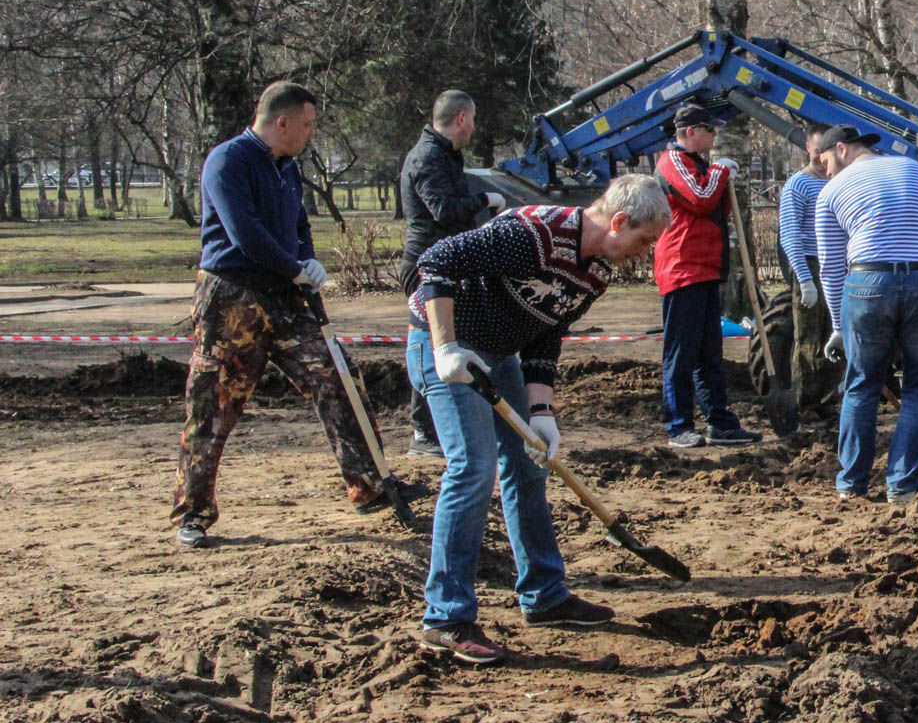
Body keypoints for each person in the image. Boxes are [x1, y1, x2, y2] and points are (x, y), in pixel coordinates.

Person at [408, 174, 671, 665]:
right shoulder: (533, 232)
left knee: (529, 465)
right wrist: (445, 347)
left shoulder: (597, 272)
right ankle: (445, 617)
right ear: (618, 222)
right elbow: (435, 262)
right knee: (473, 467)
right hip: (446, 343)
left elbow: (546, 333)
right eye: (643, 240)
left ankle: (545, 596)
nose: (646, 252)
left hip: (501, 352)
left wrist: (542, 412)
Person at [174, 82, 419, 549]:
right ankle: (194, 512)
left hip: (288, 297)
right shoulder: (228, 161)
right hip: (234, 300)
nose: (310, 133)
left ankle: (368, 485)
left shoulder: (288, 168)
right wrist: (294, 268)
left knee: (339, 377)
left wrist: (306, 263)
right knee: (214, 404)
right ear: (281, 122)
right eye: (306, 124)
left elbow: (298, 226)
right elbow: (244, 233)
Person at [814, 124, 918, 504]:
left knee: (861, 384)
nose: (825, 172)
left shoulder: (831, 192)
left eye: (824, 162)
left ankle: (851, 485)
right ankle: (903, 486)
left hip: (867, 282)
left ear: (841, 149)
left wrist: (837, 325)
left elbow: (832, 269)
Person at [398, 90, 506, 457]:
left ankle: (434, 427)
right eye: (472, 120)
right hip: (425, 266)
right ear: (461, 119)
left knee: (452, 337)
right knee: (434, 341)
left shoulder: (445, 156)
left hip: (445, 262)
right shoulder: (429, 158)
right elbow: (443, 209)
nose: (474, 128)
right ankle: (423, 433)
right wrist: (485, 200)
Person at [654, 104, 760, 449]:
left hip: (706, 268)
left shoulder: (697, 165)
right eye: (709, 131)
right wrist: (719, 173)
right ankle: (678, 425)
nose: (714, 136)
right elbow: (700, 198)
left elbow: (713, 206)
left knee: (709, 353)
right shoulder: (672, 163)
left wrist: (720, 180)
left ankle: (721, 422)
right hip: (683, 268)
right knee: (681, 353)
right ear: (690, 132)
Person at [778, 124, 835, 415]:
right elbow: (790, 235)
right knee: (809, 338)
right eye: (816, 150)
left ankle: (829, 401)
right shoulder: (797, 186)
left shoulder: (838, 181)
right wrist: (804, 279)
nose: (820, 157)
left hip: (838, 263)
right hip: (810, 264)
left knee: (835, 334)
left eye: (824, 151)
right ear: (808, 150)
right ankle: (806, 404)